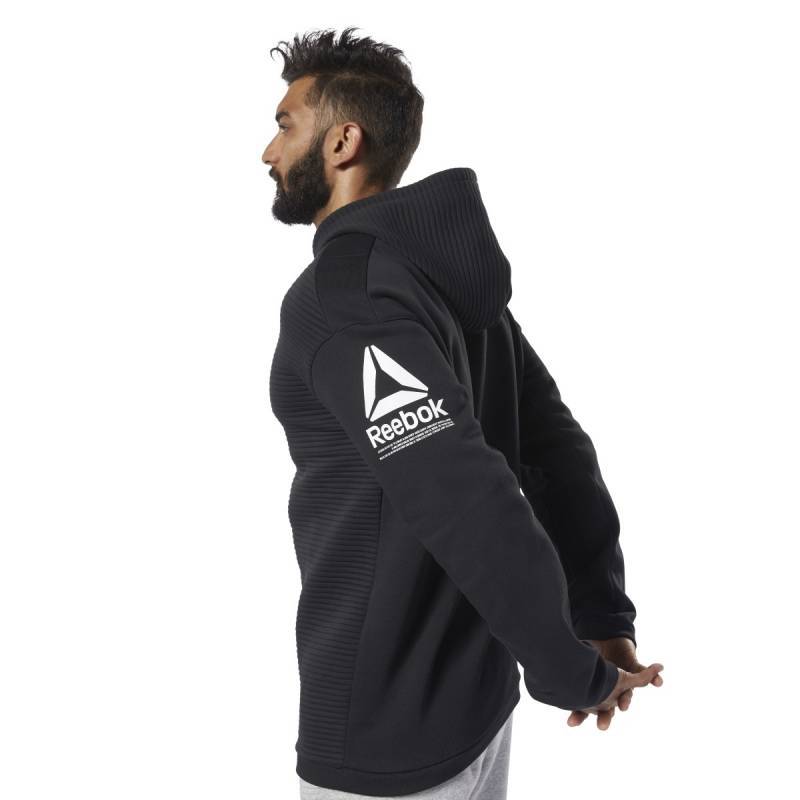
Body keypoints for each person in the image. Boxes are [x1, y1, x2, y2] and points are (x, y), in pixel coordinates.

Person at [263, 27, 664, 800]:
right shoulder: (446, 280)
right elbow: (557, 450)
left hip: (386, 740)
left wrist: (568, 667)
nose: (268, 151)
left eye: (286, 125)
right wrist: (596, 616)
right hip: (477, 712)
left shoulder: (343, 299)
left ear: (343, 142)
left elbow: (465, 495)